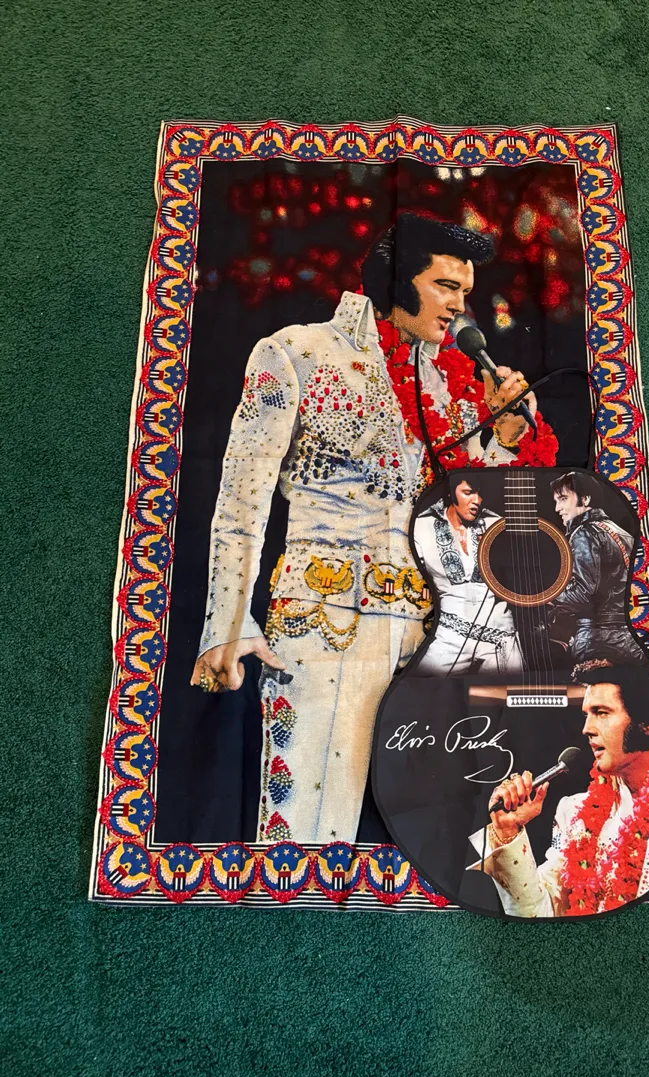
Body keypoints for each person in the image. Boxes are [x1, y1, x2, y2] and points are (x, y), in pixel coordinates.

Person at [191, 211, 559, 845]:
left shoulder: (452, 390)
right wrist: (228, 620)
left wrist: (502, 439)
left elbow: (471, 519)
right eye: (446, 286)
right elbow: (241, 497)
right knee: (306, 831)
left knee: (438, 845)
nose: (459, 306)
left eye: (466, 292)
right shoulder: (299, 352)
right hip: (324, 622)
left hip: (430, 640)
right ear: (396, 280)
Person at [470, 661, 649, 917]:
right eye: (586, 715)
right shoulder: (573, 813)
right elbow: (540, 915)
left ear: (646, 723)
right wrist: (508, 831)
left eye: (601, 713)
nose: (587, 729)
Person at [412, 474, 522, 675]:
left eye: (480, 494)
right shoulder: (422, 527)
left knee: (508, 692)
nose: (477, 500)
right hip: (449, 633)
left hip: (499, 634)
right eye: (468, 493)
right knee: (423, 686)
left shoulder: (497, 524)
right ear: (450, 493)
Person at [548, 471, 646, 664]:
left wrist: (546, 597)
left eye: (563, 499)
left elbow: (582, 594)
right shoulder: (622, 533)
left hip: (596, 638)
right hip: (632, 636)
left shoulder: (584, 533)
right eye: (556, 501)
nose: (557, 508)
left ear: (585, 499)